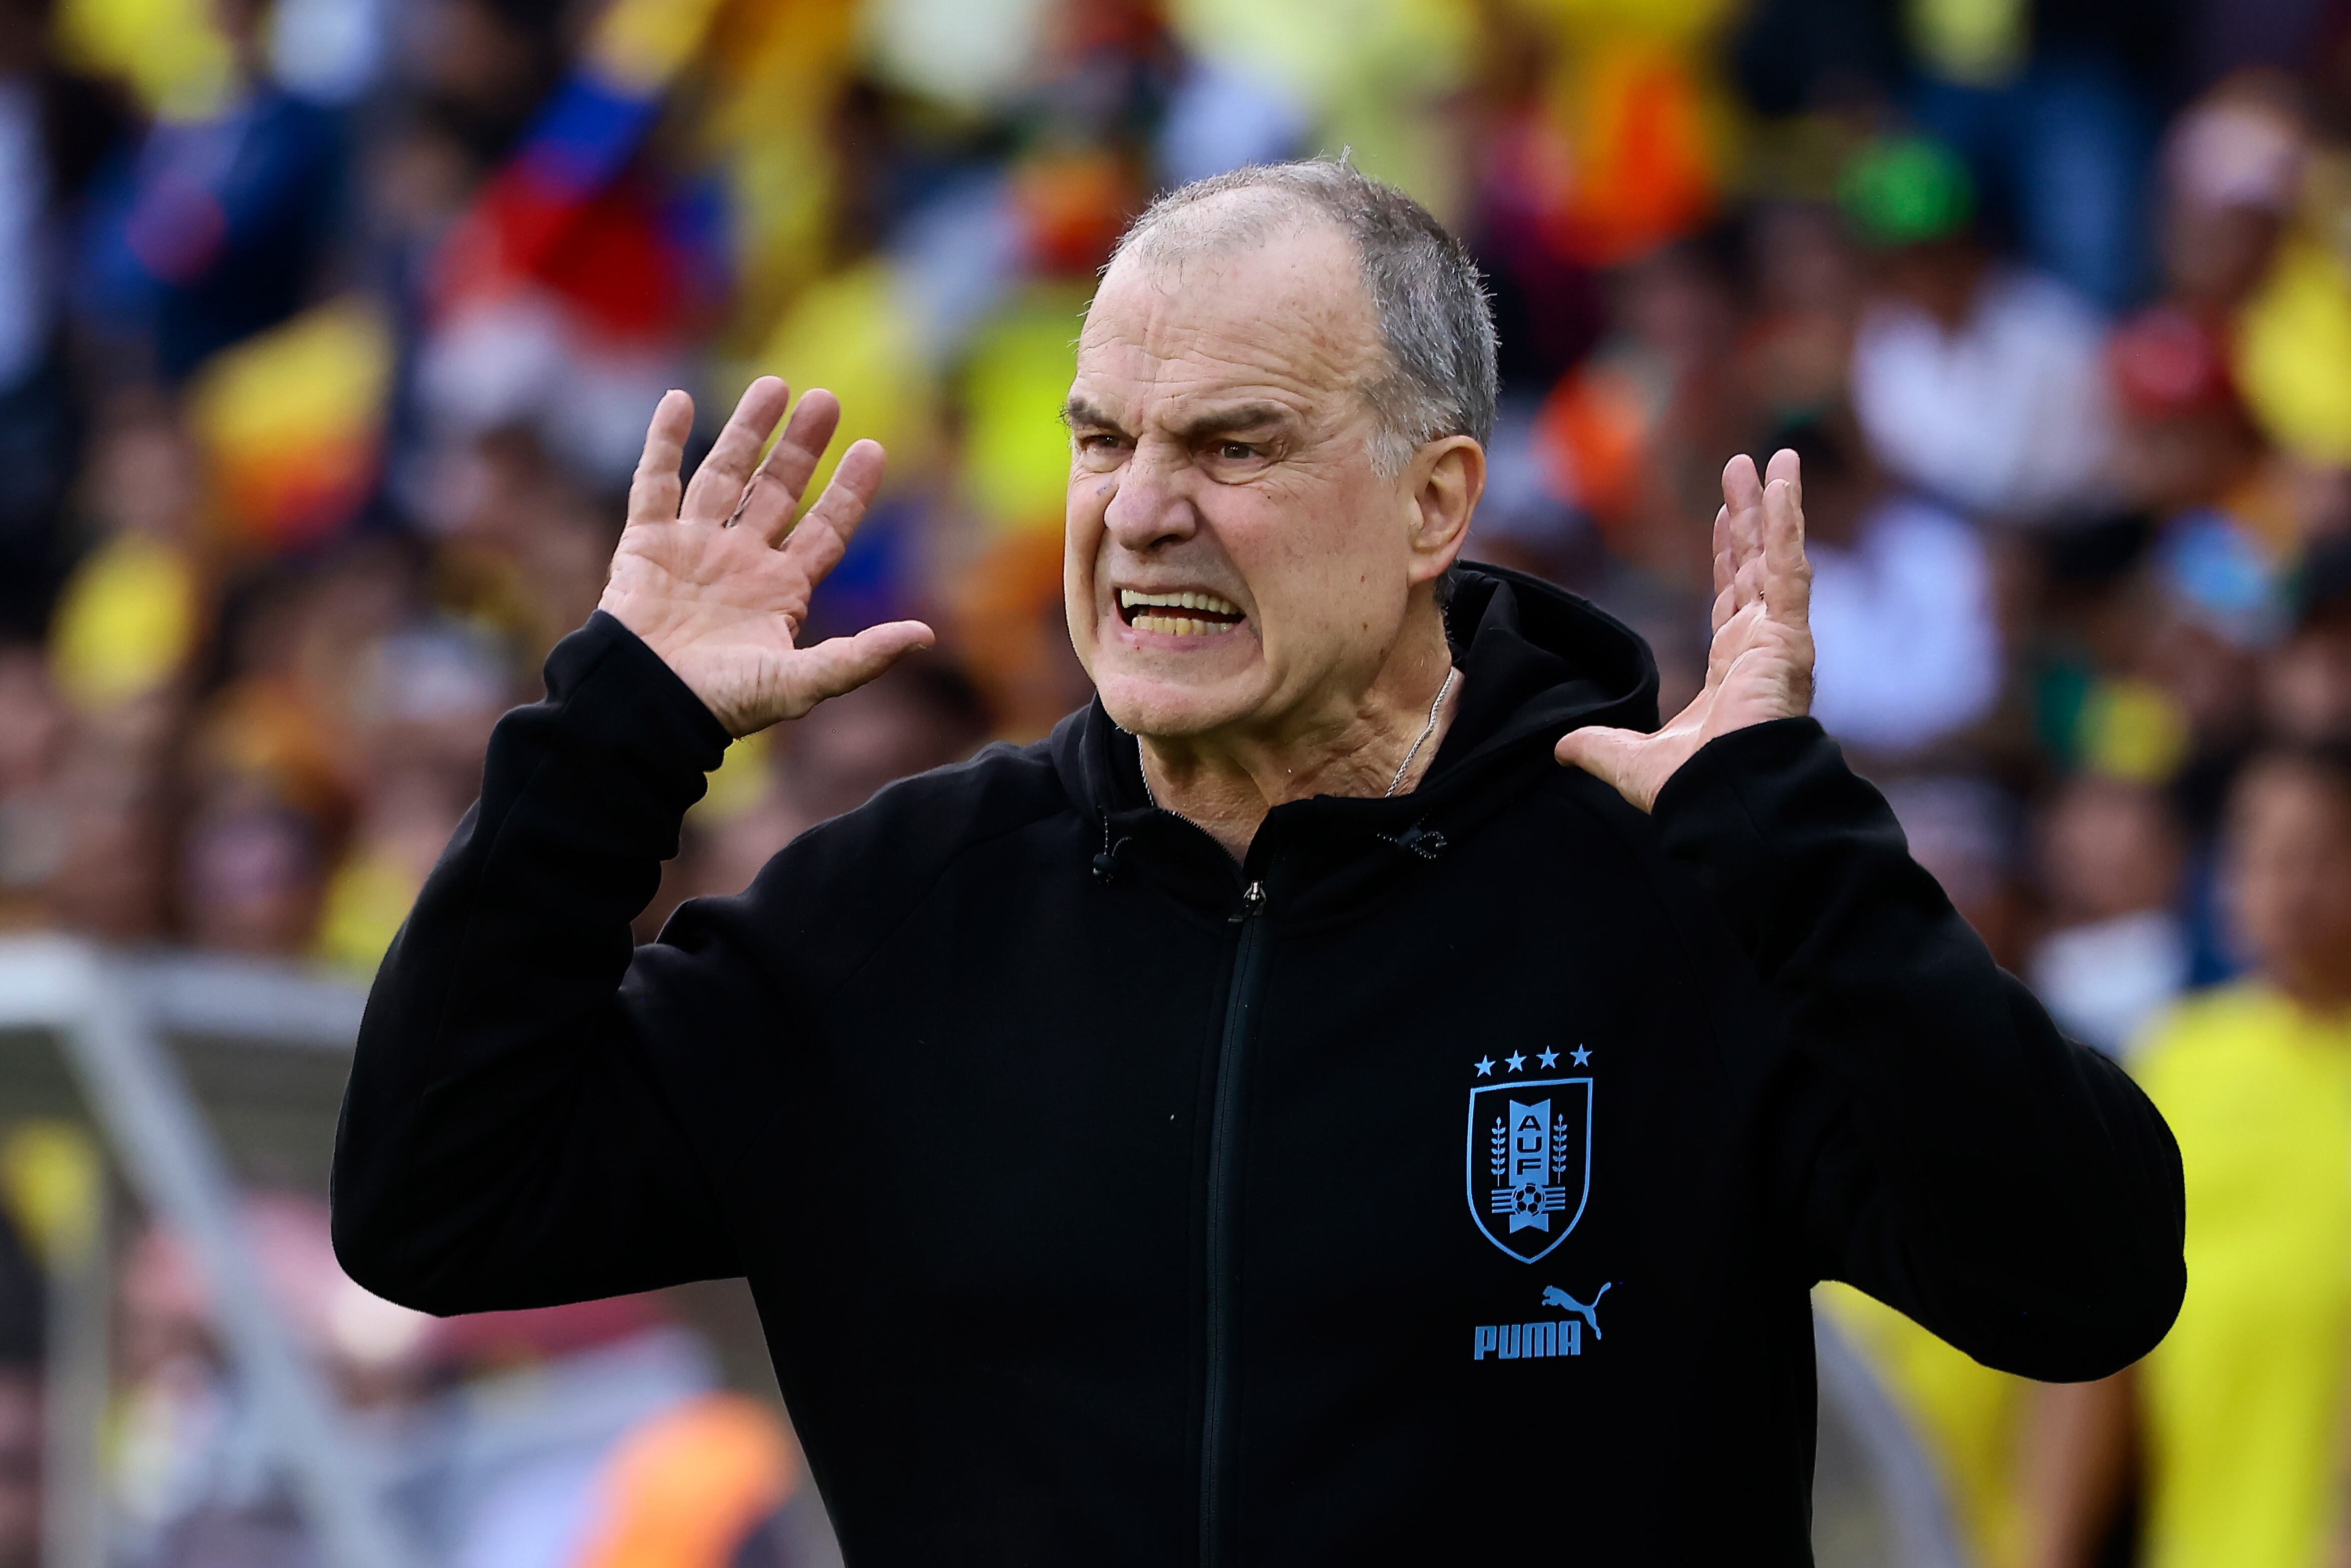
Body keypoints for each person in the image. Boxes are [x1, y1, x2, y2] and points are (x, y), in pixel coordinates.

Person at [331, 160, 2184, 1562]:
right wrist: (619, 730)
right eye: (1102, 440)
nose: (1142, 507)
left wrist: (1799, 841)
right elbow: (434, 1199)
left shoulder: (1688, 894)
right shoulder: (887, 921)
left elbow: (2082, 1279)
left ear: (1430, 504)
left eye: (1233, 443)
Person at [2025, 745, 2351, 1568]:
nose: (2287, 881)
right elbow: (2100, 1353)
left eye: (2319, 850)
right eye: (2260, 850)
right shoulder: (2176, 1061)